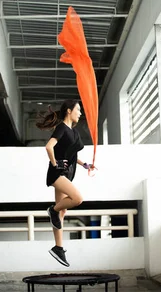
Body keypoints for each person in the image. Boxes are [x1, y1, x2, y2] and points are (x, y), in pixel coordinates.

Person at [36, 99, 96, 267]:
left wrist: (85, 165)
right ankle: (51, 210)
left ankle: (58, 248)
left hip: (68, 173)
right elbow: (49, 147)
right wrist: (55, 163)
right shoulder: (62, 128)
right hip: (58, 173)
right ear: (69, 111)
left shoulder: (74, 133)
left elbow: (72, 155)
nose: (80, 113)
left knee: (62, 213)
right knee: (77, 198)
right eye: (78, 109)